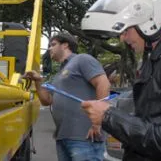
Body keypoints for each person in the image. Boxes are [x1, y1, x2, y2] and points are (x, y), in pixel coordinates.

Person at [80, 0, 161, 160]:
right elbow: (153, 113)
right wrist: (115, 104)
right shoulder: (157, 60)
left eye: (126, 30)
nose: (122, 39)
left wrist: (109, 116)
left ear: (149, 22)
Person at [23, 33, 110, 161]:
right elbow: (47, 101)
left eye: (53, 45)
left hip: (84, 137)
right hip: (63, 137)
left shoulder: (82, 59)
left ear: (65, 45)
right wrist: (38, 81)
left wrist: (98, 122)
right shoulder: (59, 74)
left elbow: (103, 83)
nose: (49, 49)